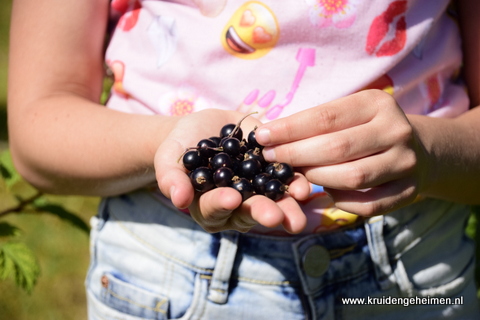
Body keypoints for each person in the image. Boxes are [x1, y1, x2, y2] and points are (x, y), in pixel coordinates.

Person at [7, 0, 480, 319]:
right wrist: (166, 142)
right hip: (168, 268)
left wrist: (433, 154)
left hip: (413, 275)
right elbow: (37, 125)